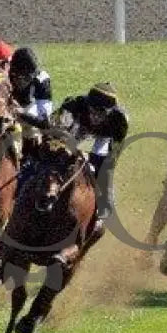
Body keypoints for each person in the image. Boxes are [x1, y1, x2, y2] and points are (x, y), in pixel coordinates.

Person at [54, 83, 129, 238]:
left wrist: (97, 163)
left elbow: (113, 155)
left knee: (104, 170)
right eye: (92, 110)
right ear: (87, 105)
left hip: (103, 137)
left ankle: (104, 207)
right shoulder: (73, 104)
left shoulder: (120, 119)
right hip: (78, 128)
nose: (95, 116)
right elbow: (57, 133)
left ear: (110, 112)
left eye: (101, 113)